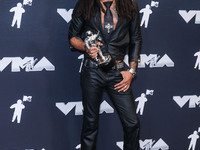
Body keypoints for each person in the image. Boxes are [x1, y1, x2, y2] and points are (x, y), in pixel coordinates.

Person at [68, 0, 142, 149]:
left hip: (118, 72)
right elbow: (73, 36)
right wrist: (86, 47)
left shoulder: (129, 4)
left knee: (132, 123)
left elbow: (136, 38)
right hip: (92, 71)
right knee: (90, 124)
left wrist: (132, 71)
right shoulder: (85, 4)